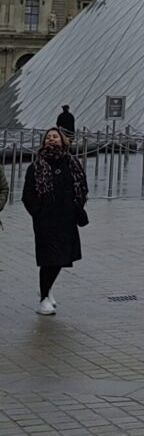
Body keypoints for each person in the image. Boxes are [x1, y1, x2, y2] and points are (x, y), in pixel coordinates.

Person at [22, 127, 88, 315]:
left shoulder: (72, 163)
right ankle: (43, 299)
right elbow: (27, 195)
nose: (51, 139)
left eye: (55, 136)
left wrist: (77, 206)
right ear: (44, 142)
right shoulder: (36, 167)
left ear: (62, 140)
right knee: (49, 259)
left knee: (62, 259)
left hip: (67, 219)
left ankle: (47, 287)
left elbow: (82, 187)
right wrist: (39, 212)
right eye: (48, 137)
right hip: (46, 221)